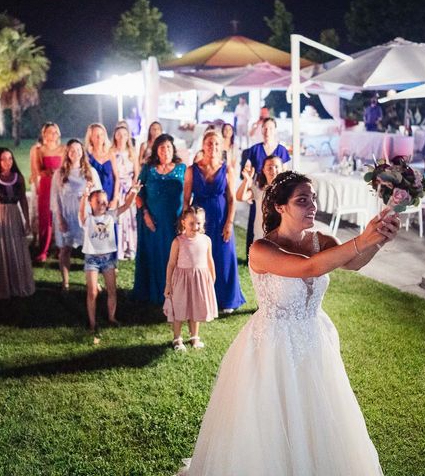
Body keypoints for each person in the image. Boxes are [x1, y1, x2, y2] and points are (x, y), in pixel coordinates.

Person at [179, 171, 401, 475]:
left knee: (317, 419)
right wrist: (362, 238)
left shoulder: (321, 240)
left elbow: (354, 262)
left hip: (314, 341)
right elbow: (308, 267)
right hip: (273, 348)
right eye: (302, 200)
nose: (312, 206)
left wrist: (379, 239)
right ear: (281, 207)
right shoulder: (262, 249)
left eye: (313, 199)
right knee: (271, 425)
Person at [184, 131, 245, 312]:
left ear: (222, 147)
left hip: (221, 219)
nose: (213, 147)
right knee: (199, 259)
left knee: (224, 257)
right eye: (210, 143)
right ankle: (201, 297)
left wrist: (229, 223)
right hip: (199, 221)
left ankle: (226, 300)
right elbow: (186, 199)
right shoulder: (191, 170)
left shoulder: (227, 169)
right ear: (203, 145)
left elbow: (232, 198)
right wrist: (185, 223)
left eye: (217, 144)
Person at [79, 183, 141, 340]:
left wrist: (133, 191)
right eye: (98, 202)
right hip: (92, 259)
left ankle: (111, 317)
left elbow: (127, 206)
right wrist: (85, 196)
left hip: (108, 259)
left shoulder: (110, 216)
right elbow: (81, 213)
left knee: (112, 290)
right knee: (92, 291)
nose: (102, 205)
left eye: (104, 202)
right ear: (91, 204)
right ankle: (92, 323)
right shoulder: (88, 219)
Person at [133, 134, 186, 304]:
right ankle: (154, 293)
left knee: (173, 256)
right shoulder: (148, 169)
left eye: (169, 147)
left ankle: (175, 292)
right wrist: (146, 215)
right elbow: (138, 193)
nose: (165, 151)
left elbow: (189, 194)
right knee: (153, 254)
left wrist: (185, 219)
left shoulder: (182, 168)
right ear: (156, 150)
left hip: (174, 221)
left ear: (173, 149)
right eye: (162, 147)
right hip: (152, 222)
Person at [0, 147, 35, 299]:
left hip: (14, 217)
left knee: (15, 249)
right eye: (4, 159)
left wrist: (27, 220)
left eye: (10, 158)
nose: (7, 162)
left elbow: (23, 199)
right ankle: (0, 286)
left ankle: (16, 284)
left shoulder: (19, 178)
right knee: (0, 250)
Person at [163, 206, 217, 351]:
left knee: (196, 308)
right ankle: (177, 338)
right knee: (180, 308)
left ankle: (194, 337)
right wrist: (168, 284)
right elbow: (171, 264)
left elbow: (209, 259)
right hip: (181, 280)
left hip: (199, 280)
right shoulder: (178, 241)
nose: (195, 226)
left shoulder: (206, 240)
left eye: (199, 223)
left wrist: (212, 277)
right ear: (183, 223)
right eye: (191, 223)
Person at [51, 139, 101, 291]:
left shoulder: (90, 172)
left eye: (78, 150)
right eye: (72, 150)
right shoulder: (59, 174)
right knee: (65, 250)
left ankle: (92, 282)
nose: (75, 153)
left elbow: (98, 195)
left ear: (82, 152)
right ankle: (65, 282)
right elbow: (55, 198)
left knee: (90, 250)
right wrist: (60, 219)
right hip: (66, 215)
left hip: (84, 215)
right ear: (67, 153)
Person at [240, 117, 291, 254]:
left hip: (277, 192)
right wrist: (249, 183)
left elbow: (285, 173)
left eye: (270, 128)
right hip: (259, 190)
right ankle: (252, 252)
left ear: (275, 130)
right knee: (255, 221)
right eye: (265, 128)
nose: (267, 131)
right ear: (261, 130)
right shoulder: (255, 149)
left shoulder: (281, 150)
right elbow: (248, 169)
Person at [32, 122, 65, 262]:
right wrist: (47, 172)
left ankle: (60, 248)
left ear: (58, 134)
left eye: (54, 132)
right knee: (45, 219)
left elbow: (66, 168)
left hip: (60, 185)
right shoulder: (39, 150)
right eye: (49, 132)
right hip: (46, 185)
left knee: (59, 216)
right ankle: (43, 250)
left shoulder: (63, 149)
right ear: (44, 134)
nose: (52, 135)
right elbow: (37, 170)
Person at [236, 155, 283, 242]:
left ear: (282, 169)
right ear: (263, 170)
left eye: (276, 166)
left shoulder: (289, 191)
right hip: (261, 238)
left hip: (281, 239)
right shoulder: (259, 190)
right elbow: (240, 197)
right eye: (269, 167)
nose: (273, 170)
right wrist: (246, 180)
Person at [110, 125, 140, 260]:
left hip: (129, 186)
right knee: (120, 217)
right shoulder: (111, 152)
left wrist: (132, 189)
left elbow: (136, 172)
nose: (121, 137)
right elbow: (115, 174)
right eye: (119, 134)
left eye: (124, 134)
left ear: (128, 137)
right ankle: (120, 248)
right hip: (119, 187)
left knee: (131, 217)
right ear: (115, 136)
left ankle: (131, 247)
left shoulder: (132, 152)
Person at [84, 123, 119, 208]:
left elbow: (117, 177)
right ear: (90, 138)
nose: (99, 138)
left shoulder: (111, 154)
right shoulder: (87, 156)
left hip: (110, 194)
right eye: (96, 135)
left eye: (101, 134)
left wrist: (115, 199)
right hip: (94, 196)